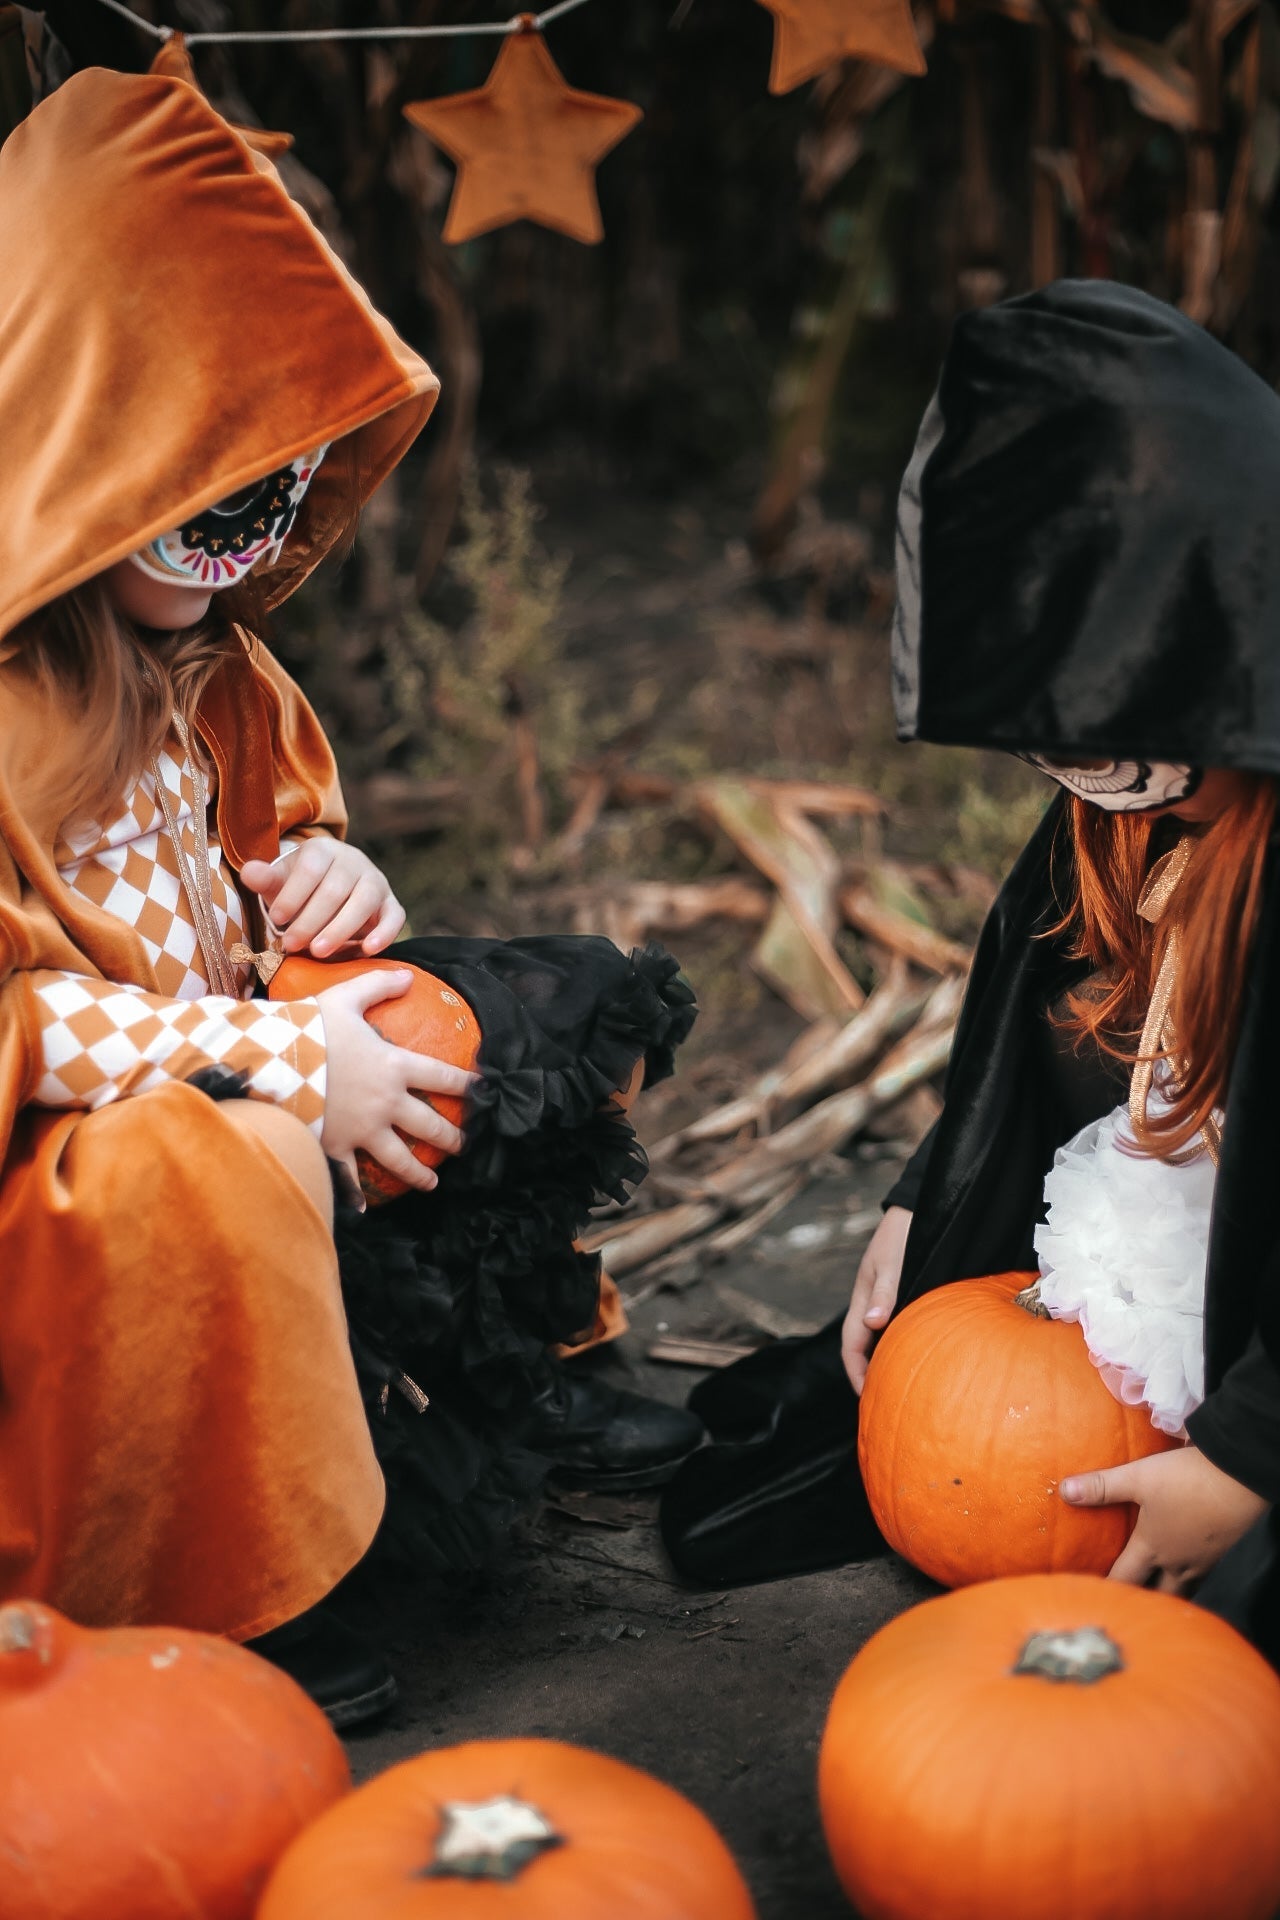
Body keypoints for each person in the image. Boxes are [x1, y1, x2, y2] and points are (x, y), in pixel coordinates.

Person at [0, 66, 700, 1728]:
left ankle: (513, 1367)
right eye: (217, 499)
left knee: (502, 1007)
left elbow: (281, 865)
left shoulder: (214, 674)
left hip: (237, 1062)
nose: (259, 547)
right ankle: (226, 1582)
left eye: (287, 490)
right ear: (81, 459)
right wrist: (290, 1074)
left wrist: (330, 885)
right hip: (79, 1172)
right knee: (232, 1150)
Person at [662, 280, 1278, 1659]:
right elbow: (1023, 1055)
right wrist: (922, 1201)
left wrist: (1248, 1453)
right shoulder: (1115, 822)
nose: (1070, 776)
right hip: (1136, 1235)